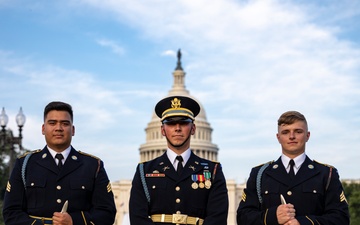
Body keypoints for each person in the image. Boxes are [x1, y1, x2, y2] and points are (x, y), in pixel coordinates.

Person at [3, 101, 116, 225]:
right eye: (52, 123)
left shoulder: (93, 165)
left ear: (72, 130)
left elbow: (107, 213)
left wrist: (74, 221)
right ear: (43, 129)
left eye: (65, 123)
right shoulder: (24, 165)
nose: (58, 128)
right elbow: (11, 213)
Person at [236, 111, 349, 225]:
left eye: (298, 131)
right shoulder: (259, 175)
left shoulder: (327, 174)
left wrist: (304, 223)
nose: (291, 136)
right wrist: (272, 216)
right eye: (285, 132)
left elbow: (341, 218)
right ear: (278, 137)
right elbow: (243, 217)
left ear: (307, 136)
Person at [129, 95, 229, 225]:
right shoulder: (144, 171)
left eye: (183, 122)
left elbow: (217, 218)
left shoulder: (213, 171)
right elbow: (138, 218)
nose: (177, 128)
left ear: (193, 129)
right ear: (162, 130)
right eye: (170, 123)